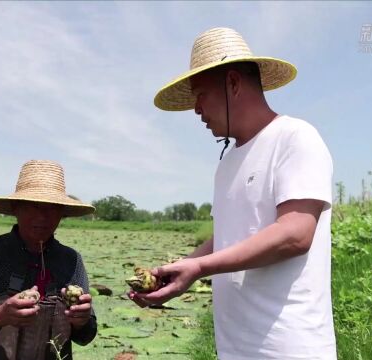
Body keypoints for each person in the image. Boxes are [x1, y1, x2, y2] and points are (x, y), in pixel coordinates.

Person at [131, 27, 337, 359]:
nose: (196, 110)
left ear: (233, 83)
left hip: (288, 347)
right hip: (235, 347)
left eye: (200, 95)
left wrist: (200, 269)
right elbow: (227, 237)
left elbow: (295, 234)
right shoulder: (227, 163)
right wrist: (177, 270)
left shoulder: (295, 138)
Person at [0, 160, 97, 360]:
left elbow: (86, 336)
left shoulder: (71, 260)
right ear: (16, 208)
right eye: (33, 206)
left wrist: (82, 321)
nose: (42, 216)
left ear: (62, 213)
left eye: (52, 208)